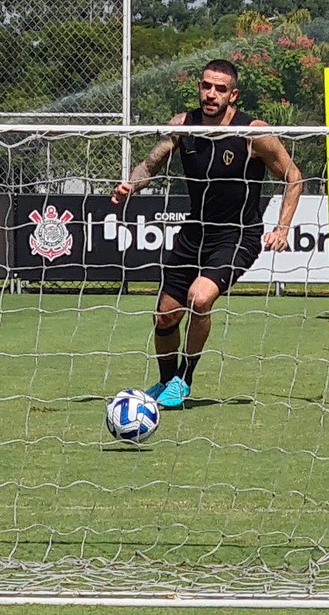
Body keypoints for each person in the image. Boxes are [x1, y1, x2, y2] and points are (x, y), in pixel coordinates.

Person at [111, 59, 304, 408]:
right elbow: (149, 166)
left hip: (238, 236)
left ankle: (184, 381)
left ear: (233, 95)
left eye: (219, 89)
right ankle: (166, 380)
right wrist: (130, 185)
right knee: (165, 316)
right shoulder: (183, 125)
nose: (210, 94)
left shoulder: (253, 132)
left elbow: (294, 177)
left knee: (199, 299)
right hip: (193, 232)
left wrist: (283, 227)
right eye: (206, 86)